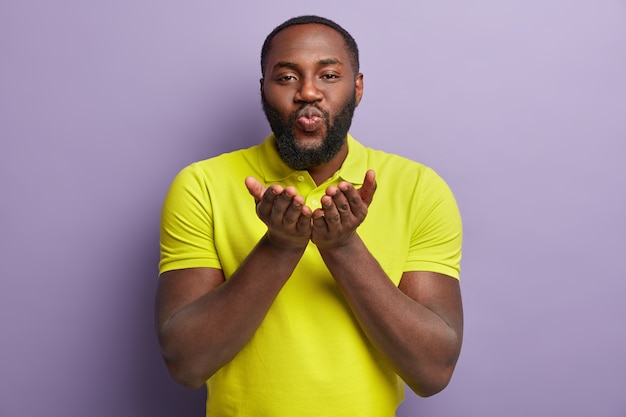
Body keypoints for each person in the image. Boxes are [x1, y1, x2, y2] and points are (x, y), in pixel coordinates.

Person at [155, 15, 463, 417]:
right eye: (286, 78)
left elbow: (432, 371)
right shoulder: (201, 185)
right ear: (263, 89)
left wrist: (344, 247)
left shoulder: (420, 188)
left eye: (329, 75)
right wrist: (279, 247)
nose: (308, 92)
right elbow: (187, 363)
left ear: (358, 87)